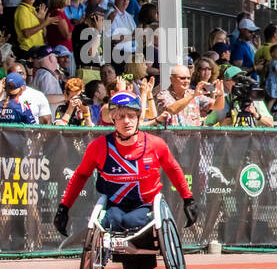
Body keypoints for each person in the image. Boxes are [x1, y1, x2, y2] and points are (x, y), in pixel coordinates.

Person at [53, 92, 197, 237]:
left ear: (138, 117)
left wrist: (188, 199)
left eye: (131, 116)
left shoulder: (155, 144)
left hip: (146, 205)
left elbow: (173, 169)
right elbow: (81, 175)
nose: (126, 121)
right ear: (113, 120)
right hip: (115, 205)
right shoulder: (98, 147)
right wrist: (63, 208)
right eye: (121, 117)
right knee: (111, 221)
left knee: (131, 221)